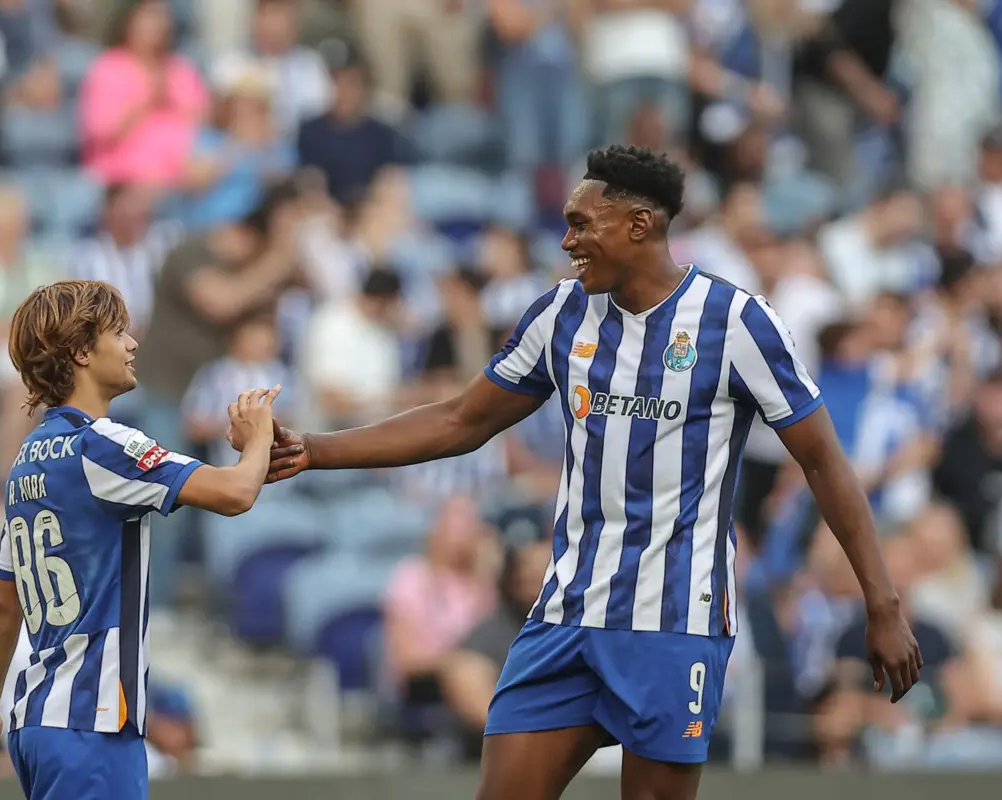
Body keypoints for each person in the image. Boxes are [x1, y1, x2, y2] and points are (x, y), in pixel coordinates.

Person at [233, 146, 924, 800]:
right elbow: (459, 420)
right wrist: (316, 450)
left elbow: (822, 460)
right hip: (564, 614)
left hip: (671, 620)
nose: (566, 242)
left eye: (580, 224)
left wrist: (882, 603)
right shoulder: (563, 314)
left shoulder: (736, 322)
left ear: (639, 224)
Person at [0, 279, 282, 798]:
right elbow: (235, 493)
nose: (133, 344)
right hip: (92, 720)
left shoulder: (26, 461)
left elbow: (4, 605)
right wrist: (258, 436)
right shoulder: (103, 443)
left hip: (36, 722)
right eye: (119, 332)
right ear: (83, 351)